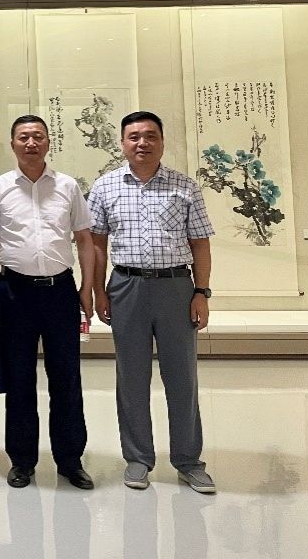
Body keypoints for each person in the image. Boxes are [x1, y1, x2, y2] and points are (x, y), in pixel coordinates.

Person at [88, 111, 217, 494]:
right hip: (126, 287)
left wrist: (202, 292)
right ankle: (138, 459)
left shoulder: (185, 186)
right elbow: (97, 244)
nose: (141, 143)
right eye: (134, 137)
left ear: (161, 141)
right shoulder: (105, 187)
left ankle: (189, 461)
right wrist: (98, 291)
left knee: (182, 378)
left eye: (150, 136)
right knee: (131, 377)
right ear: (122, 143)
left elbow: (200, 243)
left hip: (176, 288)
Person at [0, 115, 95, 490]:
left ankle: (70, 460)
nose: (31, 143)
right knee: (19, 378)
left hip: (60, 291)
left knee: (66, 378)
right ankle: (22, 461)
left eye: (38, 137)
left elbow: (84, 240)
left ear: (48, 142)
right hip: (15, 292)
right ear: (12, 143)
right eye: (23, 137)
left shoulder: (67, 186)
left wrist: (87, 288)